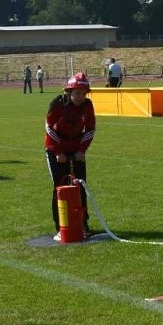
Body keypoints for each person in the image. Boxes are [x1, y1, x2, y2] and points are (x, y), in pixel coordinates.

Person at [45, 73, 97, 238]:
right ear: (69, 92)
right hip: (57, 150)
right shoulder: (58, 104)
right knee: (60, 188)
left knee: (81, 186)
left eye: (83, 93)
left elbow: (90, 129)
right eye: (76, 93)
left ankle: (83, 224)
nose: (80, 97)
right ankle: (60, 227)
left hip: (77, 151)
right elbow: (49, 127)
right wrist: (58, 152)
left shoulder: (88, 106)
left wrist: (82, 150)